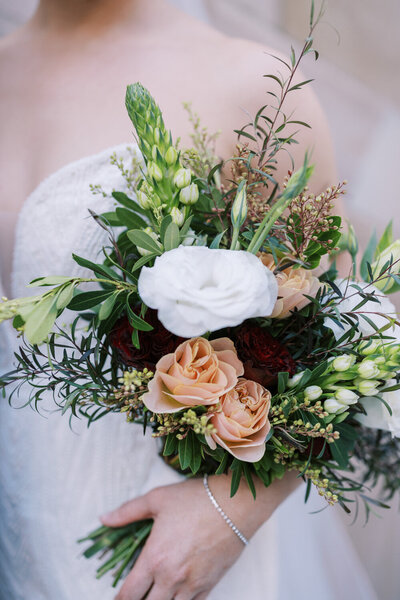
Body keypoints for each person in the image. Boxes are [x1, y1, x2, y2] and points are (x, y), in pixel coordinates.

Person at [0, 1, 378, 599]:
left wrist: (227, 514)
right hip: (17, 537)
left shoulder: (246, 82)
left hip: (167, 562)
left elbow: (356, 339)